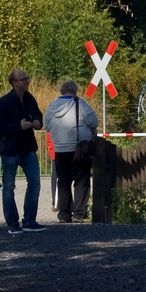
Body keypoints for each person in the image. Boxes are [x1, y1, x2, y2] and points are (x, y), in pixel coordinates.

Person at [0, 68, 45, 234]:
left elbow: (38, 115)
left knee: (35, 183)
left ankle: (29, 220)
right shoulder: (3, 102)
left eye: (27, 78)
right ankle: (12, 223)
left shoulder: (30, 99)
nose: (27, 81)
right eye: (23, 79)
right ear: (14, 82)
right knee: (8, 187)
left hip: (28, 148)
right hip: (10, 150)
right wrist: (17, 126)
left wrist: (37, 122)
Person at [43, 79, 99, 224]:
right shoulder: (80, 104)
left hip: (60, 149)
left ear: (62, 91)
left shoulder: (51, 106)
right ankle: (79, 213)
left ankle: (64, 213)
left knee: (63, 181)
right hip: (79, 149)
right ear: (75, 91)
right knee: (81, 180)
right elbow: (94, 122)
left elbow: (47, 126)